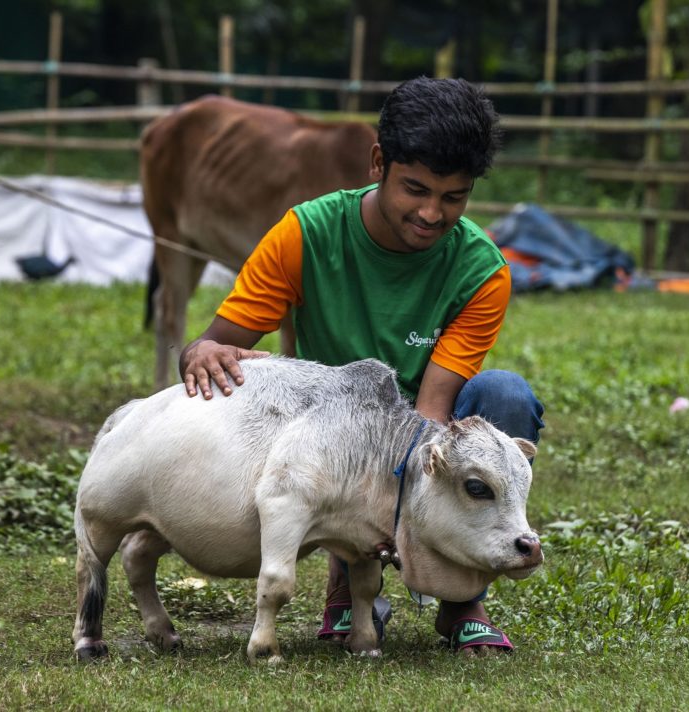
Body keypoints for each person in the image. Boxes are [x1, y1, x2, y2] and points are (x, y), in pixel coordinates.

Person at [179, 76, 544, 654]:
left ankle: (461, 602)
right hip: (330, 435)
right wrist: (203, 353)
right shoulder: (305, 234)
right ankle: (347, 582)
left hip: (421, 428)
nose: (431, 213)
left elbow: (429, 418)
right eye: (416, 189)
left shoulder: (483, 270)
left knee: (505, 397)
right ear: (379, 162)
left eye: (454, 198)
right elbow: (213, 345)